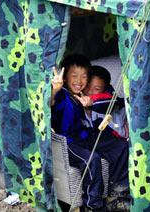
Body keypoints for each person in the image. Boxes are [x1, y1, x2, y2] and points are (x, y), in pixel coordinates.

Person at [51, 54, 129, 211]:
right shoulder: (62, 95)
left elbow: (111, 101)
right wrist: (55, 90)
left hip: (83, 135)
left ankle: (117, 193)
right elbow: (50, 103)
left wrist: (90, 103)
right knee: (91, 160)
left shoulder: (82, 95)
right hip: (67, 142)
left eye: (83, 76)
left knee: (121, 146)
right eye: (74, 76)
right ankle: (92, 205)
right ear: (65, 78)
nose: (79, 81)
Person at [83, 65, 129, 139]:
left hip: (125, 129)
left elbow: (105, 104)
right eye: (87, 86)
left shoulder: (107, 99)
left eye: (97, 89)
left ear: (106, 88)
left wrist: (92, 103)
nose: (90, 91)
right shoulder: (79, 99)